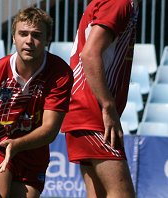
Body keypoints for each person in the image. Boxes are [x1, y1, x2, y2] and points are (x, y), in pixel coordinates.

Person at [0, 7, 73, 198]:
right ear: (13, 37)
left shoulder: (60, 73)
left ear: (47, 40)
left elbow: (50, 130)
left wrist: (18, 144)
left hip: (33, 150)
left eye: (37, 35)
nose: (29, 41)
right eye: (23, 34)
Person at [61, 0, 140, 197]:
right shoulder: (119, 3)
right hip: (91, 109)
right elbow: (89, 54)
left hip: (83, 109)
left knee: (98, 194)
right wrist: (108, 105)